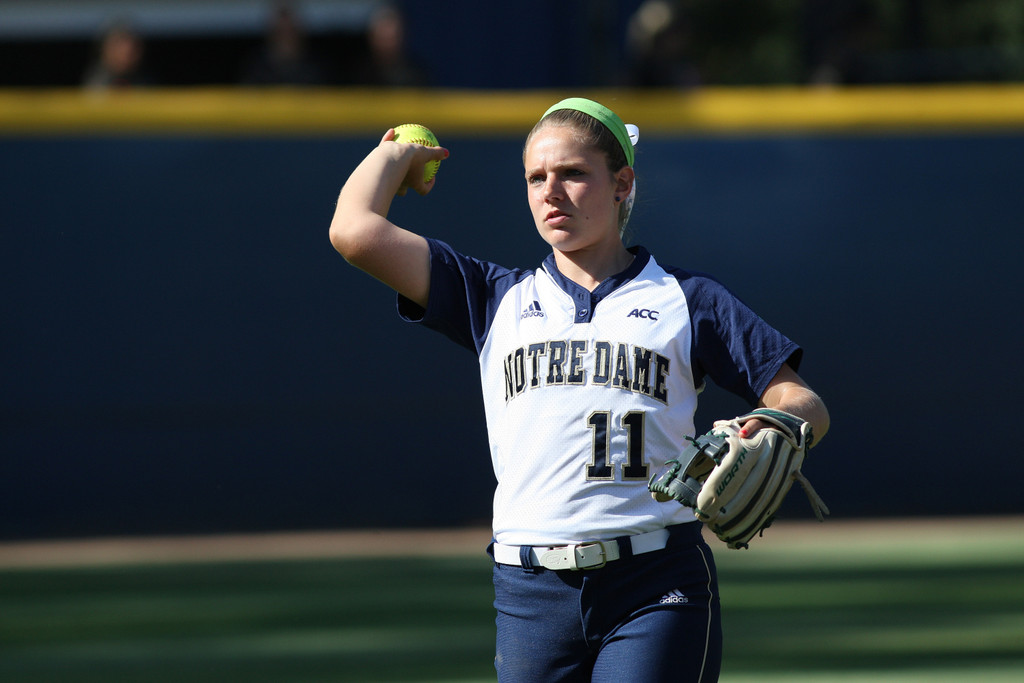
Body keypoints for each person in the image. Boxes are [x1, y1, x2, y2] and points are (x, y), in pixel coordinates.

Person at [329, 98, 830, 682]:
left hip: (657, 582)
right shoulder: (492, 298)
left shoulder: (688, 299)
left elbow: (803, 403)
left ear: (622, 183)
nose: (551, 191)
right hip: (530, 593)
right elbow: (353, 232)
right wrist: (397, 152)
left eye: (572, 173)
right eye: (536, 178)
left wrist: (772, 427)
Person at [82, 20, 153, 90]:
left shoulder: (148, 85)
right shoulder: (94, 86)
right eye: (118, 45)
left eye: (134, 47)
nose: (126, 52)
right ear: (104, 48)